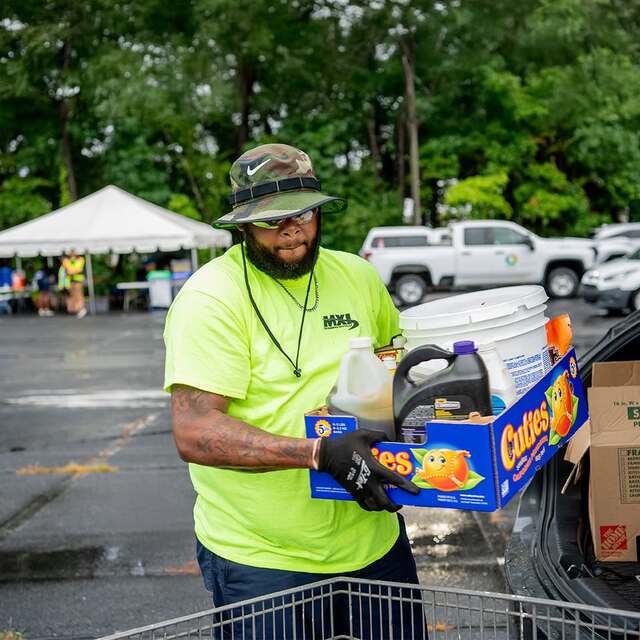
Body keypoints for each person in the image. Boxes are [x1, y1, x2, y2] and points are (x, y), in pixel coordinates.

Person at [163, 143, 426, 639]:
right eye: (273, 220)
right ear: (241, 226)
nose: (293, 230)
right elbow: (195, 432)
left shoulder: (358, 276)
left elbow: (398, 369)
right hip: (262, 560)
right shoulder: (209, 299)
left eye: (304, 214)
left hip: (373, 540)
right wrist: (318, 453)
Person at [59, 250, 87, 318]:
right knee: (73, 295)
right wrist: (72, 271)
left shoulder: (80, 259)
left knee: (79, 295)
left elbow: (76, 270)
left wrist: (72, 271)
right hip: (70, 281)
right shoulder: (68, 260)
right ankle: (76, 309)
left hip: (78, 280)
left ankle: (81, 309)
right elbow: (69, 270)